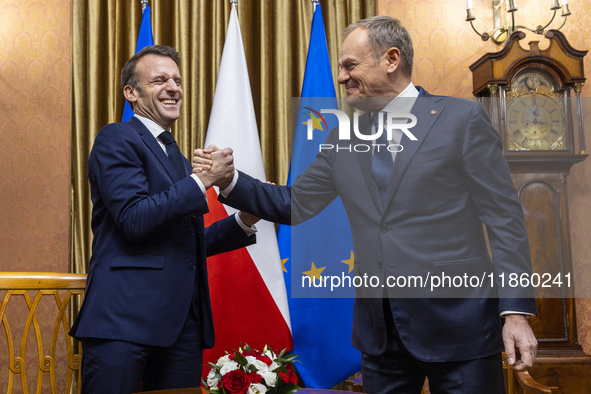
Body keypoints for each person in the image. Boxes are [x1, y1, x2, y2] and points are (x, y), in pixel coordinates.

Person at [194, 16, 538, 394]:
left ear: (391, 59)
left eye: (350, 65)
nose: (342, 77)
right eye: (341, 68)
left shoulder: (462, 120)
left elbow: (505, 221)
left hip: (460, 329)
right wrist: (230, 180)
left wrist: (516, 313)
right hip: (381, 338)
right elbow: (295, 203)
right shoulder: (343, 136)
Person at [69, 45, 260, 394]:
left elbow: (187, 243)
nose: (174, 87)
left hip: (181, 325)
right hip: (123, 322)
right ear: (131, 93)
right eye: (159, 80)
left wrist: (245, 219)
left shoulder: (177, 157)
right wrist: (202, 181)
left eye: (177, 79)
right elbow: (134, 219)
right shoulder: (117, 138)